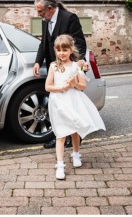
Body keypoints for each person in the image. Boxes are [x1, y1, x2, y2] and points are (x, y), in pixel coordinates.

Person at [45, 35, 106, 180]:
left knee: (75, 131)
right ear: (55, 51)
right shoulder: (53, 66)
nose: (61, 53)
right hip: (59, 103)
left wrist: (74, 83)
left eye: (65, 50)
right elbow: (47, 86)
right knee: (60, 134)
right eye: (58, 50)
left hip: (73, 101)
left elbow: (82, 87)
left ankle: (76, 153)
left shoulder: (76, 66)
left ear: (71, 49)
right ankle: (60, 165)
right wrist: (62, 88)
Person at [33, 0, 88, 149]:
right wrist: (38, 61)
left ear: (50, 8)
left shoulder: (69, 18)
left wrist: (76, 67)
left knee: (71, 107)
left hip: (69, 69)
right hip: (56, 69)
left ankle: (74, 139)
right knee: (57, 108)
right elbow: (43, 44)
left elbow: (80, 44)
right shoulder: (46, 22)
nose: (39, 15)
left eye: (41, 11)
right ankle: (60, 136)